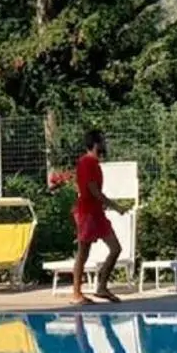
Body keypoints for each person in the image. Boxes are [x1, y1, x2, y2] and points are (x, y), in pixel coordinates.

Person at [69, 130, 119, 303]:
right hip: (87, 213)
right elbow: (93, 190)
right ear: (96, 144)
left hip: (97, 212)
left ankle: (102, 287)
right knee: (83, 253)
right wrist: (116, 206)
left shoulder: (95, 163)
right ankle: (76, 294)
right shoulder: (86, 162)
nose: (105, 144)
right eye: (103, 141)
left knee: (115, 248)